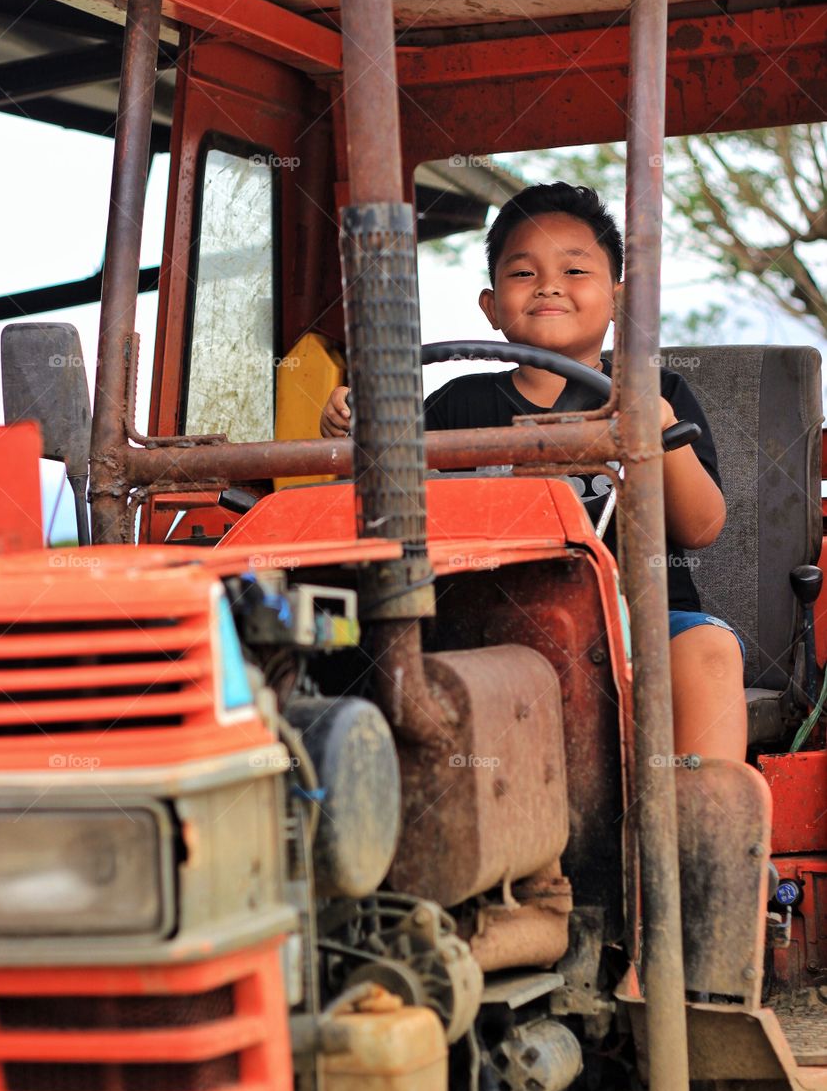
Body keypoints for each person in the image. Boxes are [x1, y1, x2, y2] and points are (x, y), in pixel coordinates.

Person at [320, 182, 746, 761]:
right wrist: (357, 433)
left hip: (640, 622)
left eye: (575, 271)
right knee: (377, 656)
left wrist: (658, 427)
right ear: (491, 308)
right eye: (523, 273)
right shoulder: (457, 406)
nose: (548, 285)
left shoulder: (659, 391)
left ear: (620, 302)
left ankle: (705, 825)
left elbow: (701, 527)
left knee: (707, 649)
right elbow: (390, 514)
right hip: (486, 622)